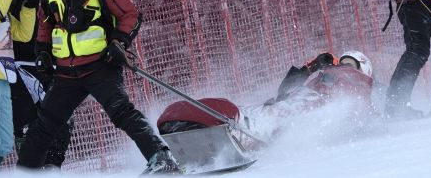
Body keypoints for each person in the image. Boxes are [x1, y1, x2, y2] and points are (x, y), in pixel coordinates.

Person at [16, 0, 182, 174]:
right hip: (65, 73)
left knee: (121, 112)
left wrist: (118, 43)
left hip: (99, 66)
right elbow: (45, 25)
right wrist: (42, 51)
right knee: (44, 124)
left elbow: (130, 15)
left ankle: (162, 158)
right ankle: (25, 172)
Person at [157, 51, 377, 145]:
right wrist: (309, 68)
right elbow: (285, 91)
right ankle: (191, 124)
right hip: (293, 101)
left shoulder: (361, 89)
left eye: (351, 65)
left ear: (364, 71)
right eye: (343, 63)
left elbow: (366, 116)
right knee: (260, 110)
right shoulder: (323, 74)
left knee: (276, 117)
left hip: (308, 107)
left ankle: (242, 131)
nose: (344, 68)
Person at [9, 0, 73, 169]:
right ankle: (30, 168)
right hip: (20, 67)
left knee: (62, 117)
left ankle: (53, 166)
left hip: (48, 65)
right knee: (27, 122)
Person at [0, 0, 21, 166]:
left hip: (3, 75)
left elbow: (23, 34)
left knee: (4, 142)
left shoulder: (3, 9)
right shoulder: (0, 5)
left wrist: (28, 8)